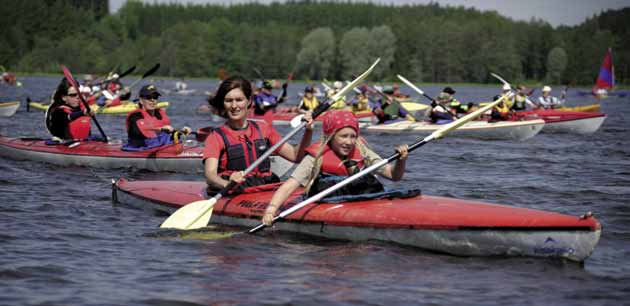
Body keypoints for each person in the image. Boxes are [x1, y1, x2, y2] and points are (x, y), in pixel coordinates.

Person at [262, 110, 409, 226]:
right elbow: (290, 185)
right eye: (343, 136)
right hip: (329, 201)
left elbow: (393, 176)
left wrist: (401, 161)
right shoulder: (316, 156)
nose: (349, 142)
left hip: (363, 198)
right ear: (331, 136)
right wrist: (271, 209)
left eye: (353, 136)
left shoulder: (362, 150)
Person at [203, 76, 314, 194]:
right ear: (223, 103)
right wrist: (227, 184)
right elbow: (210, 175)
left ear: (249, 101)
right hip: (235, 191)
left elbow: (295, 156)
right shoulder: (216, 136)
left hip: (263, 187)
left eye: (239, 100)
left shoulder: (263, 129)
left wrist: (308, 131)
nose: (234, 106)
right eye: (229, 101)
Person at [123, 84, 191, 151]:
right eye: (148, 97)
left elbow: (165, 136)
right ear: (141, 101)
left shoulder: (159, 114)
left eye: (155, 97)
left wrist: (180, 132)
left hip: (158, 146)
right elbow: (137, 133)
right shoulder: (135, 116)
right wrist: (160, 129)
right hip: (138, 149)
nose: (152, 100)